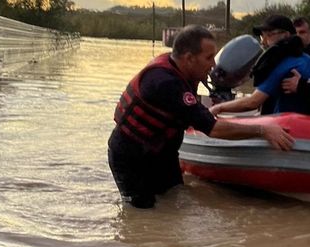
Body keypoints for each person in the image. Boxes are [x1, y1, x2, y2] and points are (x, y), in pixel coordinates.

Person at [108, 25, 294, 209]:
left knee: (174, 202)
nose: (213, 64)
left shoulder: (180, 71)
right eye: (208, 57)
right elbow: (213, 129)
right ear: (189, 58)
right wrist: (262, 130)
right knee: (143, 213)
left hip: (162, 154)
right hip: (132, 157)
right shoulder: (165, 83)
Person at [209, 15, 310, 117]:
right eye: (262, 37)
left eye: (269, 35)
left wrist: (219, 108)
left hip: (293, 129)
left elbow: (253, 102)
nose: (264, 42)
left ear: (286, 35)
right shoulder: (303, 59)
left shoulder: (285, 63)